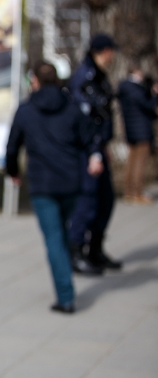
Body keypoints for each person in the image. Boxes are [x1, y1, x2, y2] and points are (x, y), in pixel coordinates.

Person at [6, 61, 101, 314]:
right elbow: (90, 136)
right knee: (62, 233)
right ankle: (69, 276)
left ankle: (66, 297)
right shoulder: (72, 107)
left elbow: (13, 146)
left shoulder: (26, 110)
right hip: (71, 183)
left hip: (43, 186)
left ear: (35, 81)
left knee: (54, 240)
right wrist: (95, 156)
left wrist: (13, 172)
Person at [67, 33, 121, 275]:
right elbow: (86, 120)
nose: (113, 56)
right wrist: (94, 152)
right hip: (88, 151)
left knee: (106, 200)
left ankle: (95, 250)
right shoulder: (85, 77)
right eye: (111, 51)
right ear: (104, 51)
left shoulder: (98, 75)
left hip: (98, 148)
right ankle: (76, 252)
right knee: (87, 201)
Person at [117, 61, 158, 204]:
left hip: (131, 129)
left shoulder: (125, 88)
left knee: (132, 162)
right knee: (139, 163)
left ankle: (129, 191)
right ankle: (136, 192)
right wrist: (154, 94)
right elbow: (148, 106)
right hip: (141, 130)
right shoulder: (134, 88)